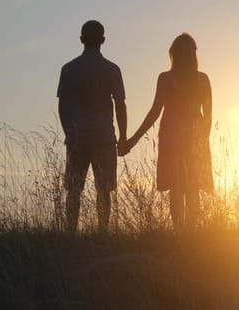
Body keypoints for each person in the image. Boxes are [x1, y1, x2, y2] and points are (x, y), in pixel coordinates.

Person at [121, 33, 213, 229]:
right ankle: (188, 232)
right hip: (190, 136)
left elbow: (155, 112)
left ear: (173, 54)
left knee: (179, 186)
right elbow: (208, 116)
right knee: (190, 186)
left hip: (175, 135)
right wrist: (203, 141)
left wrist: (132, 140)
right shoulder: (200, 79)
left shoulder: (169, 78)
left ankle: (182, 231)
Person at [57, 20, 127, 234]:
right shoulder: (112, 69)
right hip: (105, 137)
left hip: (78, 137)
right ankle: (102, 232)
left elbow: (62, 106)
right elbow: (120, 105)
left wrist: (70, 132)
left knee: (74, 190)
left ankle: (70, 232)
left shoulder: (68, 69)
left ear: (81, 40)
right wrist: (123, 137)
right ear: (103, 40)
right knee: (104, 190)